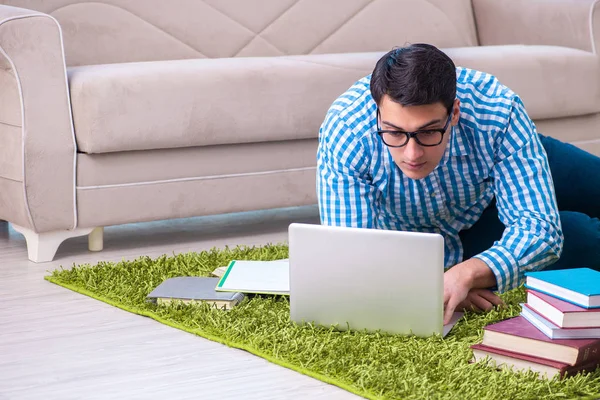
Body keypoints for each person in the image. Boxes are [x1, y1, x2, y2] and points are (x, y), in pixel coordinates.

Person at [316, 43, 600, 324]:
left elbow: (539, 227)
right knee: (587, 239)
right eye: (394, 132)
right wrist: (436, 285)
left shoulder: (497, 109)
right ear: (378, 114)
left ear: (453, 113)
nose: (412, 154)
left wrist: (465, 275)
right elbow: (351, 257)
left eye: (428, 132)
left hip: (497, 172)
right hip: (455, 234)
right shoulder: (347, 130)